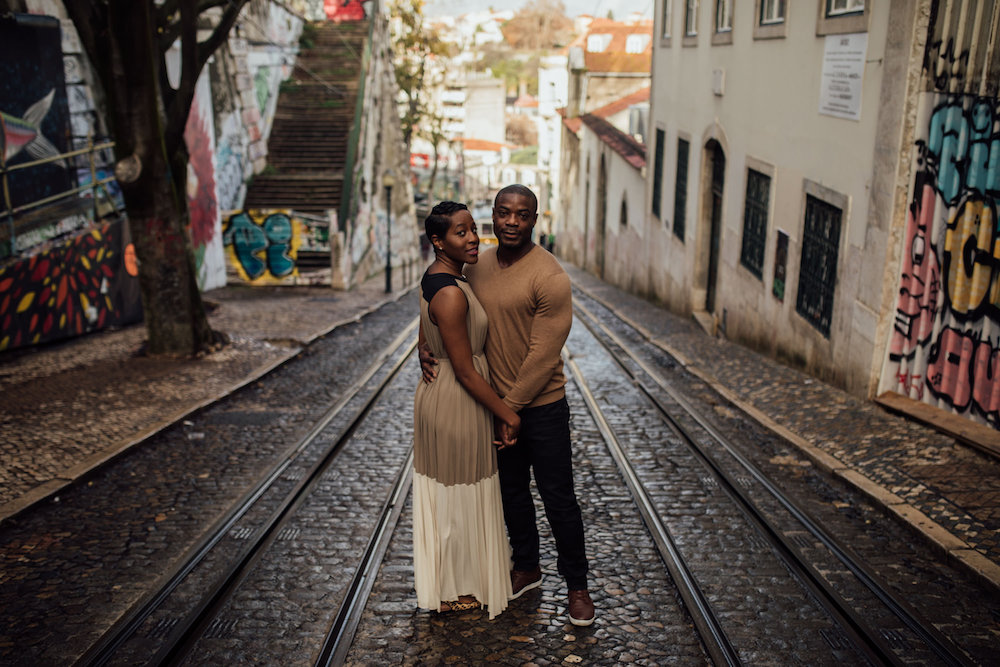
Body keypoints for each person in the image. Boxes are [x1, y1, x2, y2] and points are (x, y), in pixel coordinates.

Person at [420, 185, 595, 626]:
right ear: (493, 217)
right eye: (503, 213)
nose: (512, 222)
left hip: (540, 406)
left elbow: (544, 353)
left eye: (521, 214)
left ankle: (577, 586)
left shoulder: (549, 276)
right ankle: (527, 567)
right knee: (510, 494)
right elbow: (442, 309)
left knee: (559, 499)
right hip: (493, 405)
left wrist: (509, 412)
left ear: (535, 220)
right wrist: (423, 345)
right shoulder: (474, 267)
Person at [412, 201, 518, 619]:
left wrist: (423, 349)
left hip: (448, 396)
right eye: (461, 232)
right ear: (438, 241)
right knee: (459, 495)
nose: (473, 238)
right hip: (458, 398)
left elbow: (426, 332)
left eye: (474, 229)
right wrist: (508, 414)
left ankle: (454, 583)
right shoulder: (453, 293)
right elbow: (466, 371)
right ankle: (453, 588)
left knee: (451, 493)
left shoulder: (439, 277)